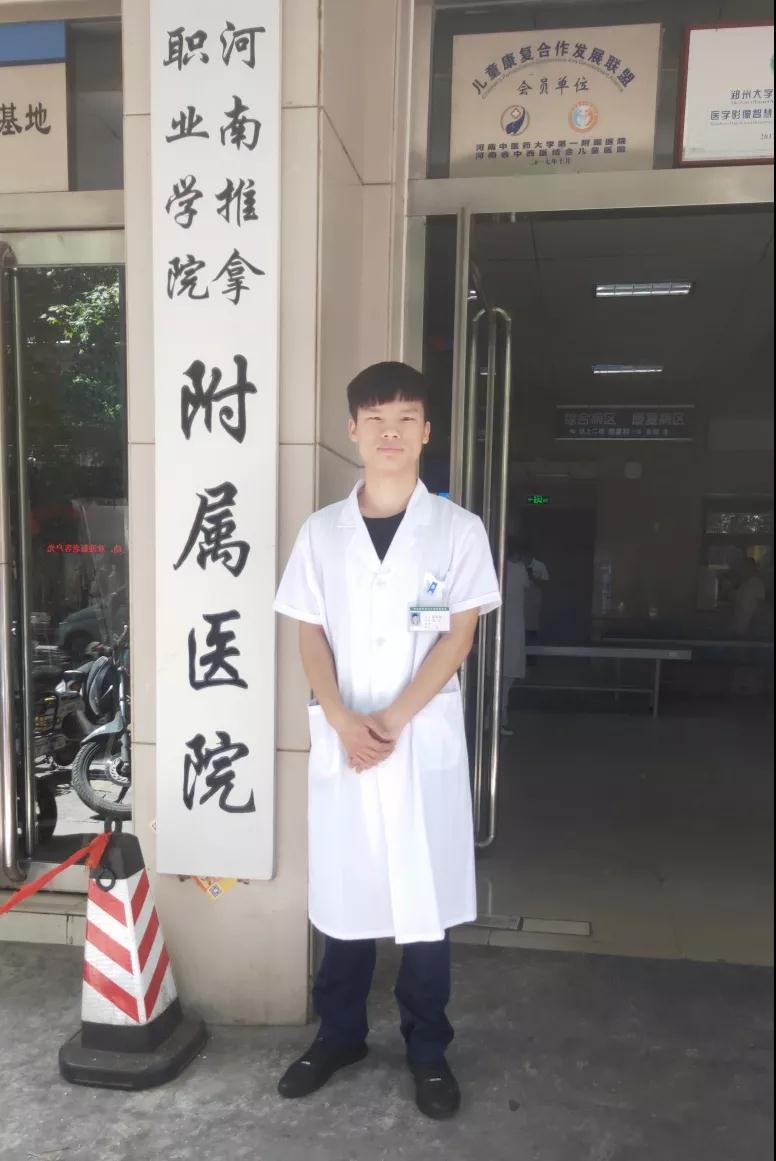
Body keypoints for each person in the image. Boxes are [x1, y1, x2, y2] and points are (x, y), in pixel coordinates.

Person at [274, 361, 500, 1120]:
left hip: (416, 735)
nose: (390, 432)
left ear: (426, 430)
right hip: (346, 738)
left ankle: (428, 1048)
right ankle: (338, 1034)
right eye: (375, 419)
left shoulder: (458, 530)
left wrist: (392, 720)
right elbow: (309, 633)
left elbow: (458, 637)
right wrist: (342, 718)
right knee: (347, 894)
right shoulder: (321, 532)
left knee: (420, 898)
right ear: (353, 430)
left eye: (405, 418)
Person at [500, 537, 549, 735]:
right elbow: (542, 578)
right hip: (511, 630)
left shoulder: (501, 568)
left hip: (503, 629)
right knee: (506, 679)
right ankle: (499, 719)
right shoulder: (517, 570)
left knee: (502, 680)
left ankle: (493, 718)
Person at [731, 556, 766, 637]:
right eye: (743, 567)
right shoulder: (744, 583)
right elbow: (737, 601)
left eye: (747, 567)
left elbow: (760, 605)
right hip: (738, 626)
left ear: (753, 568)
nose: (744, 569)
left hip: (748, 628)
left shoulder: (757, 583)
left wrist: (754, 624)